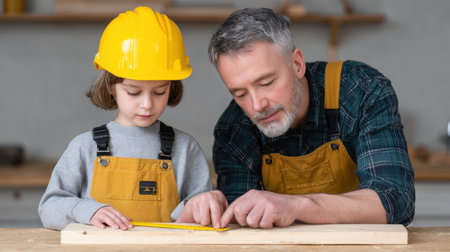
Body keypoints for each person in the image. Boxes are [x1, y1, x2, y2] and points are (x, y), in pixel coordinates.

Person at [183, 7, 415, 229]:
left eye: (266, 83)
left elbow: (395, 200)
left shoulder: (361, 90)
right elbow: (242, 227)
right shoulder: (234, 129)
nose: (257, 106)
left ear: (297, 64)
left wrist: (299, 205)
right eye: (240, 94)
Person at [38, 7, 212, 230]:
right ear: (111, 86)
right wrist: (88, 210)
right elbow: (49, 208)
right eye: (133, 92)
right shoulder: (85, 147)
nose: (147, 104)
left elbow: (203, 214)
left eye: (160, 91)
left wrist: (196, 208)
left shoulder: (186, 149)